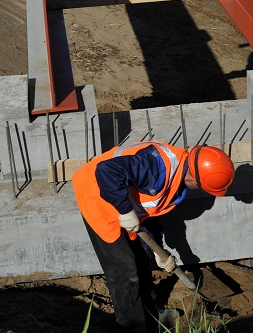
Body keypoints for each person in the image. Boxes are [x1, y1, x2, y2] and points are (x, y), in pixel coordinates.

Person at [72, 141, 235, 333]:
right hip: (98, 198)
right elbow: (106, 170)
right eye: (201, 187)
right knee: (125, 270)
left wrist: (158, 248)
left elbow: (151, 211)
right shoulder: (156, 168)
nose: (198, 189)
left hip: (126, 205)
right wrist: (124, 211)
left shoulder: (178, 173)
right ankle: (133, 327)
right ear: (194, 179)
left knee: (143, 257)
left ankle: (151, 314)